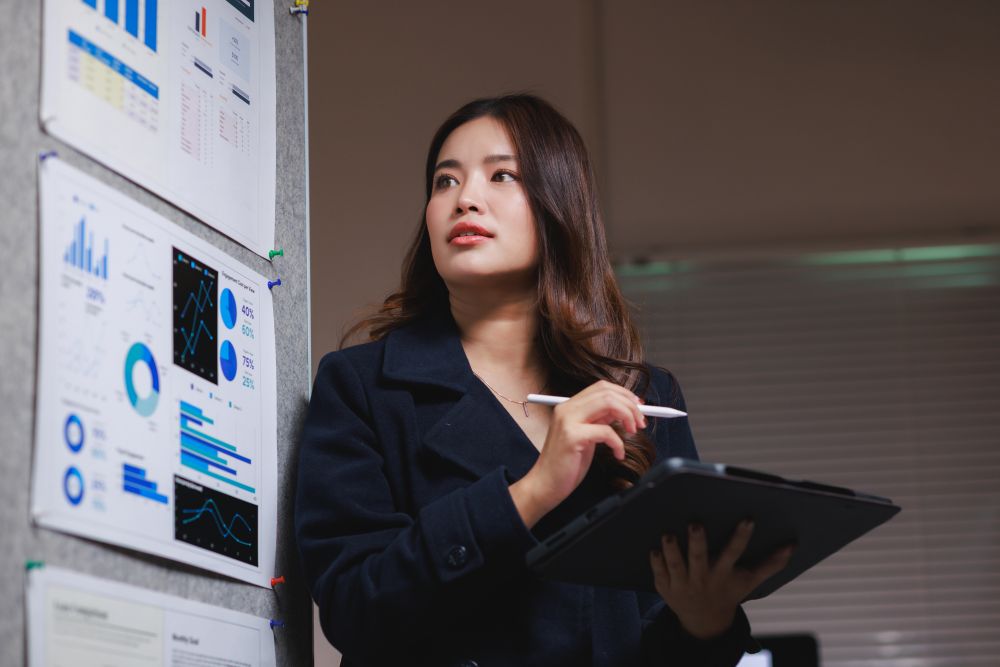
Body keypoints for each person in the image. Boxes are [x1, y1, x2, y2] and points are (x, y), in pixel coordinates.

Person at [295, 94, 792, 666]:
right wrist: (531, 492)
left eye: (501, 175)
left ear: (558, 206)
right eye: (444, 182)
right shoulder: (363, 388)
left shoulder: (643, 397)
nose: (466, 200)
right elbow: (354, 609)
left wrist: (705, 622)